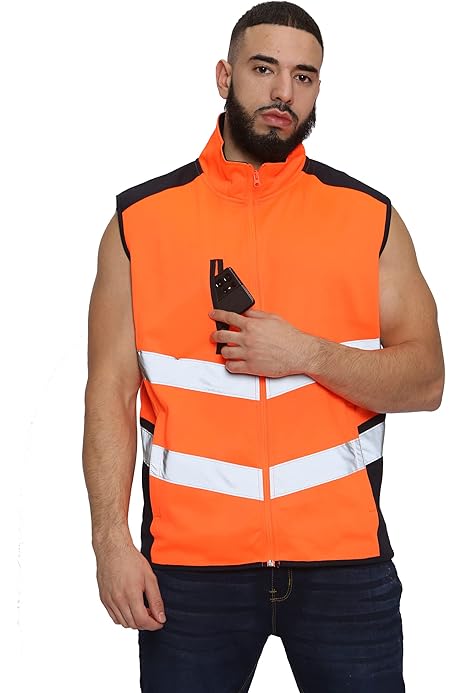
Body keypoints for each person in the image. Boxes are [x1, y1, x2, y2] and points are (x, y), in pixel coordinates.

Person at [82, 2, 445, 691]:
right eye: (263, 68)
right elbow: (108, 394)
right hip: (190, 571)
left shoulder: (369, 218)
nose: (284, 92)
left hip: (345, 564)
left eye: (304, 76)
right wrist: (110, 541)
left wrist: (307, 353)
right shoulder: (140, 223)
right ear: (225, 76)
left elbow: (427, 380)